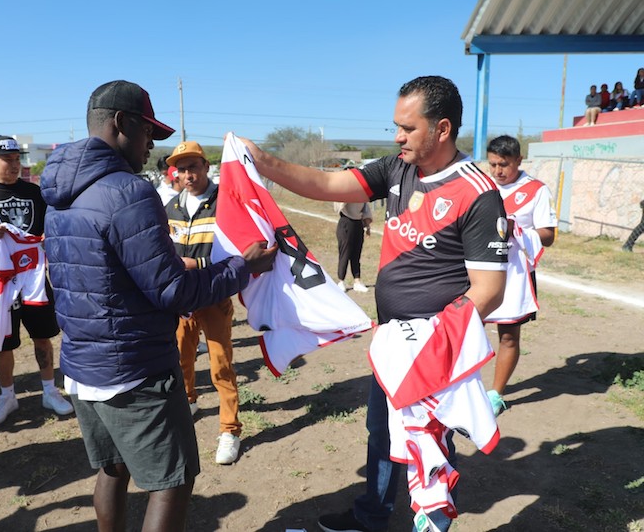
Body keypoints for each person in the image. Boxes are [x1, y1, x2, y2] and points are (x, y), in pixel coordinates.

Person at [239, 75, 508, 532]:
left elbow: (489, 288)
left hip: (435, 345)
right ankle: (371, 517)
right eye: (395, 127)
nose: (398, 137)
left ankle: (434, 521)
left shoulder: (477, 192)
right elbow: (325, 183)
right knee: (382, 431)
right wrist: (261, 160)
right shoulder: (397, 167)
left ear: (442, 129)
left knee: (432, 440)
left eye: (408, 128)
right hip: (391, 340)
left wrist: (435, 342)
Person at [39, 80, 276, 532]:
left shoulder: (59, 193)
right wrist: (242, 268)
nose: (151, 145)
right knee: (172, 480)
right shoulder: (129, 191)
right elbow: (172, 292)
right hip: (134, 367)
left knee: (112, 469)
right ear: (121, 123)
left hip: (83, 367)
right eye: (148, 132)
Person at [0, 135, 73, 426]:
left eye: (18, 159)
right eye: (8, 160)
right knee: (3, 343)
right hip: (1, 283)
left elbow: (51, 226)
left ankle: (49, 390)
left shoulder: (35, 192)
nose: (14, 165)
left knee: (43, 337)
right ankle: (7, 396)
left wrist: (48, 238)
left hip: (34, 278)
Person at [165, 140, 242, 465]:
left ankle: (230, 430)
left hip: (213, 297)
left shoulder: (225, 203)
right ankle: (190, 400)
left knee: (221, 366)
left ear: (206, 166)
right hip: (182, 301)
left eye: (193, 166)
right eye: (182, 169)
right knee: (180, 359)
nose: (188, 174)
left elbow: (236, 251)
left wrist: (199, 265)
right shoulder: (171, 208)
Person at [484, 135, 557, 416]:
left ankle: (496, 395)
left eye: (504, 165)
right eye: (492, 165)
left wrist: (517, 230)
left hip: (515, 273)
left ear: (519, 161)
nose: (498, 171)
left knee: (508, 336)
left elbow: (548, 236)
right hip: (479, 268)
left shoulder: (536, 191)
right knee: (463, 329)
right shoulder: (484, 187)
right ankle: (459, 387)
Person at [333, 201, 372, 293]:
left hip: (358, 224)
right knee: (345, 254)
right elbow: (338, 205)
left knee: (356, 254)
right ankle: (341, 281)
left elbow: (365, 209)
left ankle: (357, 281)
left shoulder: (362, 195)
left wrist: (367, 226)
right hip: (346, 222)